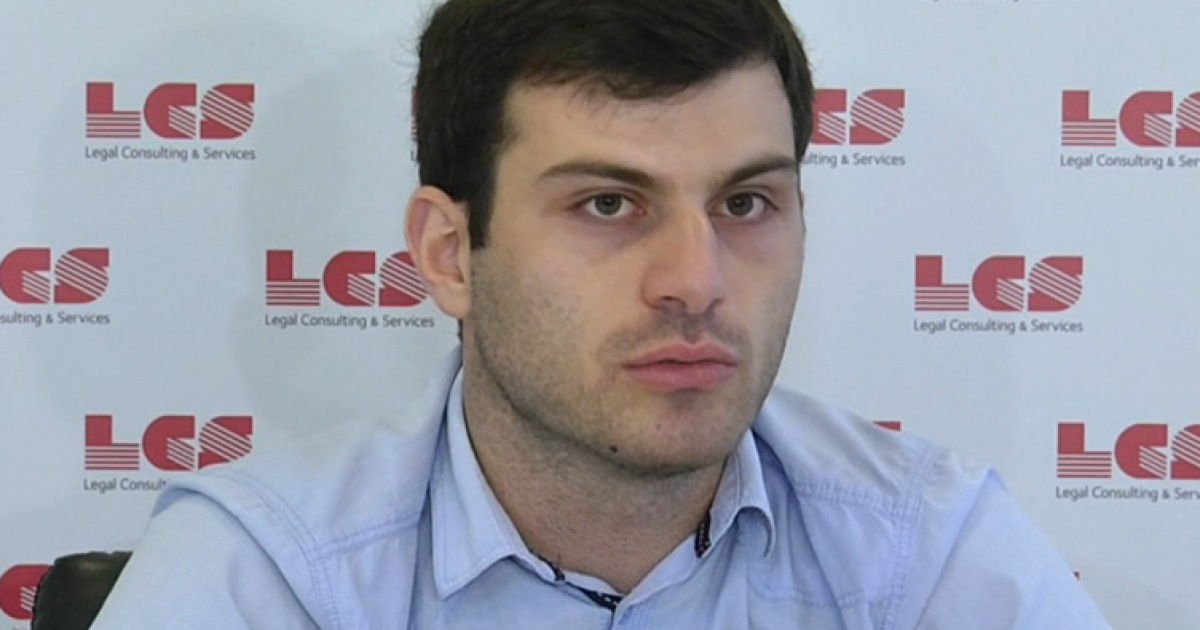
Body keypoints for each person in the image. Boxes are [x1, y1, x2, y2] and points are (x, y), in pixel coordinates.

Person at [92, 0, 1112, 628]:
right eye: (609, 205)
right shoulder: (271, 576)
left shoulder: (922, 548)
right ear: (449, 254)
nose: (695, 281)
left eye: (745, 203)